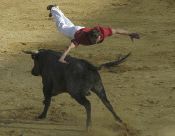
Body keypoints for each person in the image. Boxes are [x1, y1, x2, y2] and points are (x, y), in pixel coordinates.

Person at [47, 4, 140, 63]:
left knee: (67, 24)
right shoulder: (82, 37)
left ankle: (56, 10)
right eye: (92, 40)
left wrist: (130, 33)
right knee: (61, 27)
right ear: (89, 36)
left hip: (79, 29)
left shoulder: (103, 32)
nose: (94, 41)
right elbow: (69, 47)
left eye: (95, 39)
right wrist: (62, 58)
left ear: (99, 36)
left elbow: (116, 30)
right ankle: (54, 8)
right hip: (74, 33)